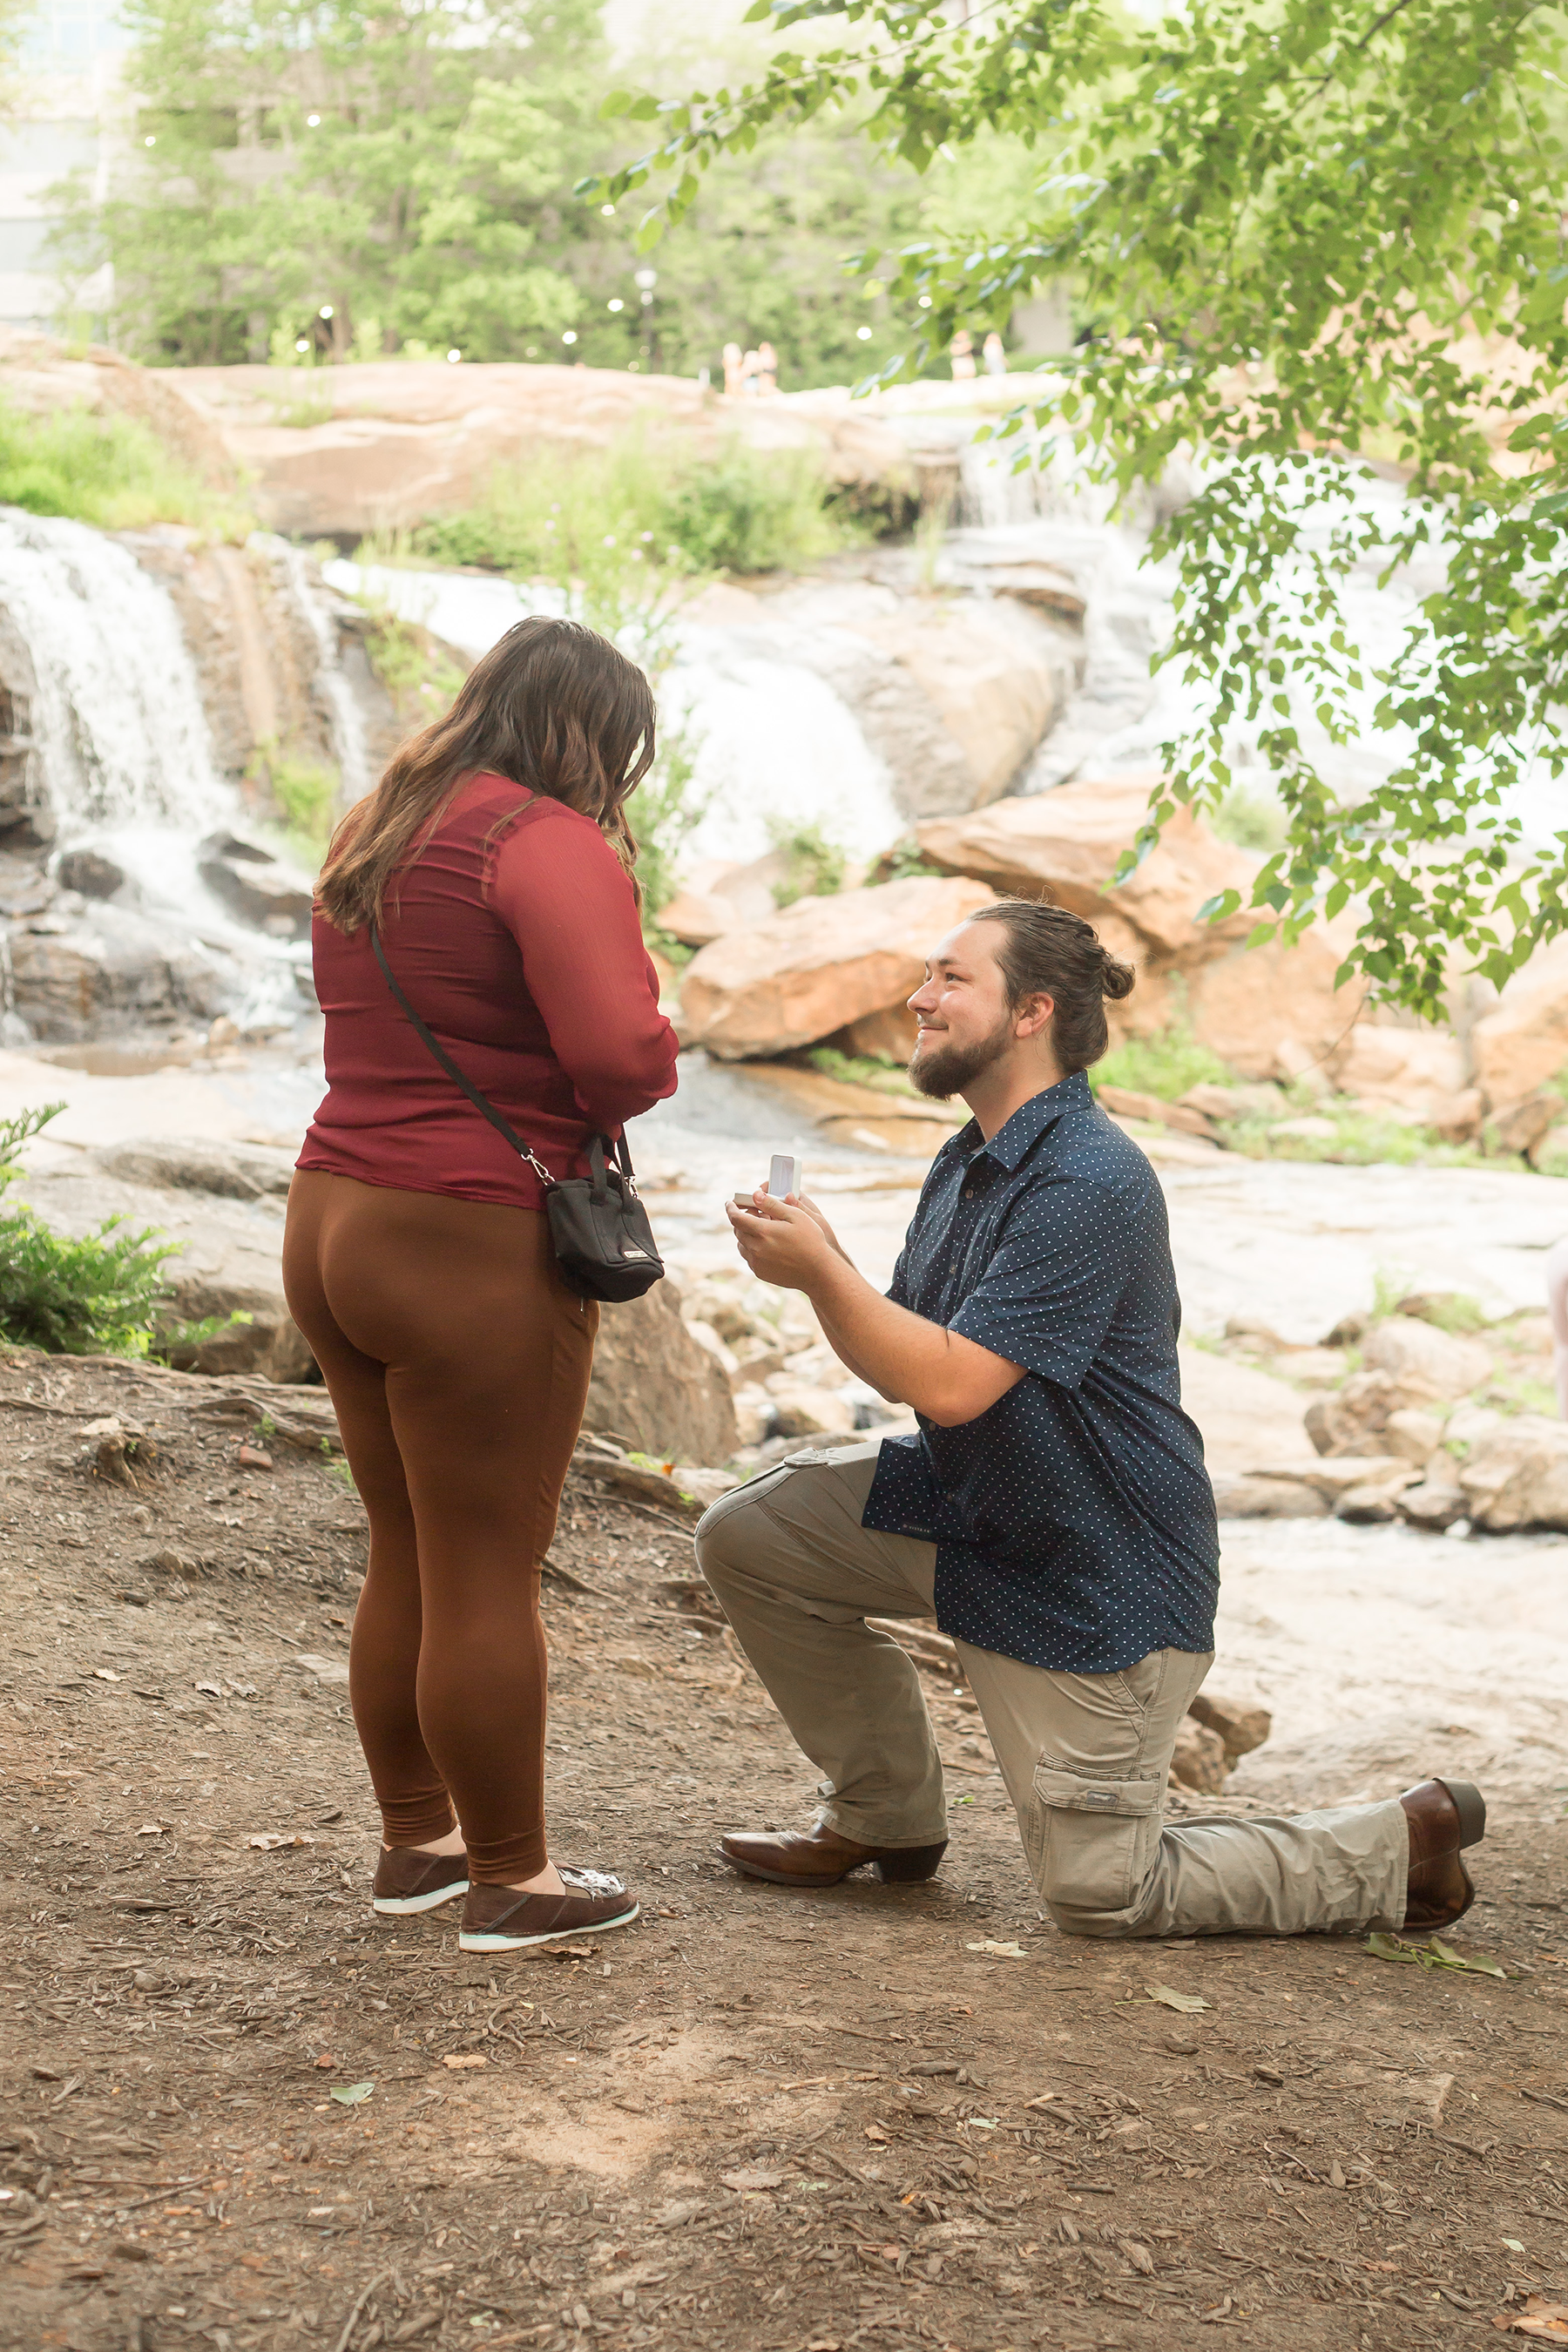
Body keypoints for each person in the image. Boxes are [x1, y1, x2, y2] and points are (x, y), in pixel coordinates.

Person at [696, 900, 1485, 1940]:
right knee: (755, 1534)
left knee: (1104, 1895)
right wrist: (824, 1270)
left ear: (1031, 1012)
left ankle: (1401, 1839)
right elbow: (913, 1363)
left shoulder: (1089, 1176)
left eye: (948, 979)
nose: (917, 1000)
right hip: (978, 1517)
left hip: (1093, 1577)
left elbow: (953, 1386)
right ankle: (884, 1818)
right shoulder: (967, 1158)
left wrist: (820, 1274)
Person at [283, 617, 679, 1956]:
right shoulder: (546, 843)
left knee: (406, 1544)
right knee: (486, 1567)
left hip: (334, 1210)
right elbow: (621, 1060)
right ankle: (515, 1879)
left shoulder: (376, 825)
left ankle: (422, 1846)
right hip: (464, 1236)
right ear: (590, 736)